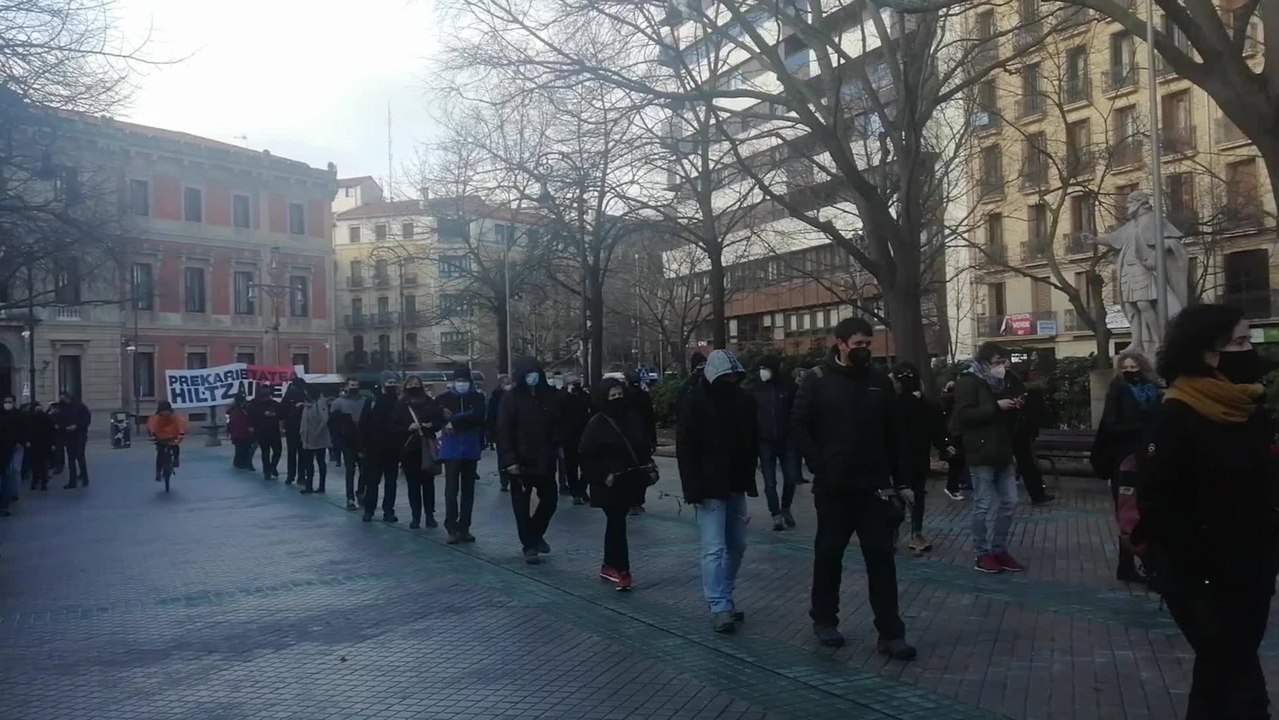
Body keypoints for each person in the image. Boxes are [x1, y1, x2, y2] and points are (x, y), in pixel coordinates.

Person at [1135, 304, 1276, 719]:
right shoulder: (1175, 416)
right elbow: (1158, 503)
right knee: (1244, 690)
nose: (1250, 351)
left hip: (1253, 570)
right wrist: (1197, 568)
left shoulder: (1246, 409)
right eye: (1240, 343)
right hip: (1203, 581)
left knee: (1217, 681)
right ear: (1205, 353)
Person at [791, 319, 916, 660]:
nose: (863, 349)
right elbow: (800, 426)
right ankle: (825, 620)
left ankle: (891, 633)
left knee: (881, 560)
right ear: (841, 343)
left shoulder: (879, 383)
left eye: (867, 344)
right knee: (829, 554)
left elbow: (895, 434)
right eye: (857, 343)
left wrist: (901, 481)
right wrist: (820, 464)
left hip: (874, 488)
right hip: (833, 488)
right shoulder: (817, 381)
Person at [677, 349, 757, 634]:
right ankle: (719, 604)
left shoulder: (743, 402)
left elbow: (750, 442)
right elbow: (685, 448)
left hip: (734, 482)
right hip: (709, 485)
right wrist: (692, 487)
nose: (730, 381)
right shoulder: (695, 403)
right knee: (713, 547)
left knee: (737, 544)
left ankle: (724, 595)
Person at [952, 342, 1026, 575]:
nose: (1001, 367)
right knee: (982, 505)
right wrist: (996, 407)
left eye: (1003, 362)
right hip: (981, 450)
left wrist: (1016, 406)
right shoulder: (969, 382)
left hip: (1003, 449)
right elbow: (964, 416)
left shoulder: (1004, 381)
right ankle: (982, 553)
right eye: (996, 363)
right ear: (984, 363)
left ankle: (999, 549)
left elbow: (1009, 412)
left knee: (1010, 501)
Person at [579, 377, 652, 591]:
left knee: (617, 523)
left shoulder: (631, 418)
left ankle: (610, 565)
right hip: (608, 484)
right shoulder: (597, 424)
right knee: (616, 522)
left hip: (628, 480)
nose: (617, 399)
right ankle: (621, 569)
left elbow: (641, 443)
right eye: (613, 396)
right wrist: (603, 474)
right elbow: (586, 455)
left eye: (620, 395)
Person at [1096, 349, 1160, 584]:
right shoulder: (1118, 389)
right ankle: (1137, 565)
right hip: (1125, 459)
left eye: (1134, 368)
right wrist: (1141, 427)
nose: (1130, 372)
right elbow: (1110, 425)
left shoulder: (1154, 390)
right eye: (1126, 368)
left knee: (1148, 510)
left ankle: (1137, 564)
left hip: (1149, 456)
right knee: (1129, 514)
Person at [496, 356, 562, 564]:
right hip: (520, 460)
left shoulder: (550, 396)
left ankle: (535, 533)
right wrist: (509, 460)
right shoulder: (511, 398)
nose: (531, 377)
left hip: (545, 459)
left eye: (534, 373)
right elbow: (504, 431)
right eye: (527, 374)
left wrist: (556, 446)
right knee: (521, 505)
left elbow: (559, 423)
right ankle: (529, 545)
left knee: (550, 500)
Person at [891, 362, 953, 555]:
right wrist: (944, 446)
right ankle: (915, 533)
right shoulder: (926, 404)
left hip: (896, 458)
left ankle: (893, 534)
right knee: (917, 496)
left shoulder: (892, 404)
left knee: (898, 496)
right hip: (919, 456)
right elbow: (936, 429)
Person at [437, 369, 486, 542]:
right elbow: (438, 418)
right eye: (459, 380)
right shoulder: (443, 399)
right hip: (451, 450)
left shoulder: (478, 398)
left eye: (464, 380)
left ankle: (464, 526)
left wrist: (454, 420)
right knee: (451, 490)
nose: (462, 383)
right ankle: (451, 527)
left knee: (468, 491)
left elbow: (479, 417)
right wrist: (464, 418)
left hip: (470, 449)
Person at [751, 355, 799, 531]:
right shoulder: (755, 390)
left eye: (766, 368)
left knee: (791, 478)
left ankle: (785, 508)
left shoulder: (788, 388)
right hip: (764, 442)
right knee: (769, 483)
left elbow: (796, 412)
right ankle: (775, 514)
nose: (762, 372)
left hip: (786, 440)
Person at [394, 375, 446, 529]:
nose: (414, 386)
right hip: (409, 448)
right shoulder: (401, 405)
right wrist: (407, 428)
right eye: (410, 384)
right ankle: (415, 516)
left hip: (426, 445)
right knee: (413, 484)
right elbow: (393, 426)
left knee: (428, 483)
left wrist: (431, 425)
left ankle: (430, 515)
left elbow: (438, 422)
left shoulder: (430, 402)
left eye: (417, 384)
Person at [1006, 368, 1055, 505]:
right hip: (1021, 430)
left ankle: (1036, 493)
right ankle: (1037, 494)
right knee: (1028, 463)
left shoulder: (1009, 382)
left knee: (1025, 463)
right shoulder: (1025, 388)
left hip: (1017, 429)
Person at [359, 374, 402, 523]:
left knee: (391, 482)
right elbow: (363, 424)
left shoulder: (399, 402)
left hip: (393, 449)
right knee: (372, 482)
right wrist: (363, 447)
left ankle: (388, 511)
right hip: (374, 449)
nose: (392, 385)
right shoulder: (372, 401)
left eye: (394, 382)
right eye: (389, 382)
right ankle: (369, 510)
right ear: (382, 384)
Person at [329, 377, 367, 511]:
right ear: (346, 387)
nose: (354, 387)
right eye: (352, 385)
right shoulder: (338, 403)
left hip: (363, 441)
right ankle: (350, 498)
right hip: (347, 441)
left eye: (356, 385)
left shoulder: (365, 402)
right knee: (350, 470)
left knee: (365, 470)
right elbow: (332, 424)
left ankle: (361, 492)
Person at [559, 371, 593, 504]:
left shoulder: (584, 396)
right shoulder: (561, 398)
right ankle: (576, 493)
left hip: (585, 436)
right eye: (573, 384)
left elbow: (592, 408)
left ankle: (581, 489)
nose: (576, 386)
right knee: (571, 467)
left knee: (587, 467)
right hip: (568, 438)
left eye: (577, 383)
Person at [939, 381, 969, 501]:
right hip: (954, 431)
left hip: (954, 431)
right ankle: (953, 487)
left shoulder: (949, 400)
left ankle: (954, 486)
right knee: (957, 461)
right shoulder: (952, 400)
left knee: (957, 461)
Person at [298, 384, 330, 495]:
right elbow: (303, 421)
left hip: (318, 439)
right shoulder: (307, 405)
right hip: (307, 438)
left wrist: (318, 432)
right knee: (308, 463)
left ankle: (321, 485)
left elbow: (324, 419)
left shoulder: (320, 403)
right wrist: (302, 433)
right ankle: (309, 485)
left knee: (320, 462)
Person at [145, 401, 187, 482]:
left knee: (175, 446)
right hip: (160, 437)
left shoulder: (175, 417)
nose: (165, 414)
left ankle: (176, 459)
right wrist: (152, 435)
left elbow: (180, 424)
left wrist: (181, 434)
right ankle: (158, 472)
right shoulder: (155, 418)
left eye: (167, 411)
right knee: (160, 454)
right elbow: (151, 426)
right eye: (163, 412)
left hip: (172, 436)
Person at [57, 391, 90, 489]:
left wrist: (76, 426)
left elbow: (86, 420)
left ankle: (84, 478)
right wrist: (62, 427)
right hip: (69, 436)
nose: (62, 400)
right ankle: (72, 481)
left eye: (64, 398)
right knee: (71, 459)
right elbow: (58, 420)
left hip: (80, 435)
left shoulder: (79, 406)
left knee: (80, 456)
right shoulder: (62, 408)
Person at [248, 388, 283, 479]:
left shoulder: (256, 405)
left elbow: (252, 418)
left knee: (265, 452)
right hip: (272, 431)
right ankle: (272, 467)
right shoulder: (274, 404)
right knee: (276, 451)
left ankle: (267, 470)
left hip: (263, 431)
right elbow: (280, 415)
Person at [0, 396, 25, 515]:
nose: (7, 404)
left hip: (11, 449)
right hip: (5, 449)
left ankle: (8, 499)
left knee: (11, 473)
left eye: (9, 402)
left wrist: (21, 442)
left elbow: (23, 430)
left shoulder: (18, 415)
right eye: (6, 402)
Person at [487, 374, 513, 488]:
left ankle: (511, 478)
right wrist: (491, 434)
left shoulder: (516, 396)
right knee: (502, 456)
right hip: (500, 432)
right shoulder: (495, 398)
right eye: (505, 383)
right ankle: (504, 479)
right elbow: (491, 416)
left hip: (514, 431)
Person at [281, 377, 307, 485]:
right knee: (301, 453)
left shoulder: (288, 395)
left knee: (293, 453)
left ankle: (291, 476)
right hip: (299, 426)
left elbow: (282, 412)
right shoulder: (302, 395)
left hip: (292, 427)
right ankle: (299, 477)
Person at [25, 402, 54, 491]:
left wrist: (28, 441)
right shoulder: (47, 419)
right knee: (44, 465)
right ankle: (43, 483)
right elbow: (51, 432)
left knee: (35, 465)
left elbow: (28, 432)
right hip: (45, 445)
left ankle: (35, 482)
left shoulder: (31, 419)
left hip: (35, 445)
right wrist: (53, 444)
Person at [226, 394, 256, 471]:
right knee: (241, 449)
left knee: (243, 449)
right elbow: (238, 423)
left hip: (242, 433)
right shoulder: (237, 412)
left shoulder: (242, 410)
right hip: (240, 433)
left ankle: (241, 463)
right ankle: (240, 463)